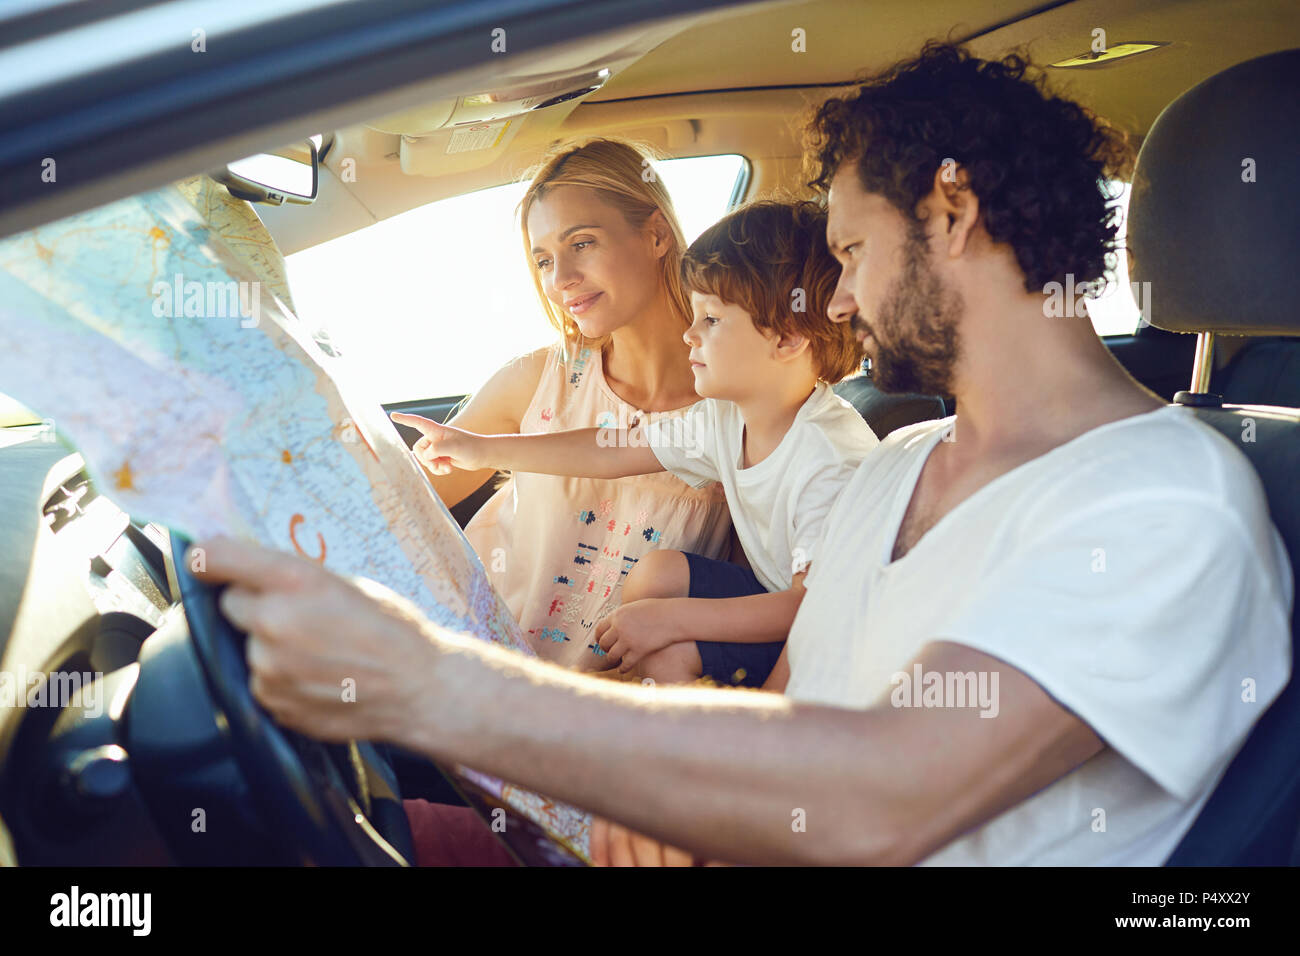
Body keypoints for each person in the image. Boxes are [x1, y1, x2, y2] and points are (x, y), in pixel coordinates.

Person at [194, 42, 1291, 866]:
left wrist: (433, 684)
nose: (844, 294)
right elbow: (791, 710)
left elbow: (884, 792)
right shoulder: (900, 462)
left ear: (952, 210)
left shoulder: (1162, 501)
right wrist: (650, 785)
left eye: (853, 249)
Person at [401, 200, 876, 688]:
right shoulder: (724, 418)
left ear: (787, 338)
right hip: (776, 594)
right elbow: (613, 448)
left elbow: (814, 605)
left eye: (711, 320)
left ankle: (661, 741)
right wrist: (482, 450)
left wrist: (672, 623)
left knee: (667, 652)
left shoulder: (829, 461)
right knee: (655, 576)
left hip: (831, 622)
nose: (690, 334)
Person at [395, 137, 732, 672]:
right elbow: (399, 514)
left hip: (608, 709)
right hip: (473, 667)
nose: (559, 280)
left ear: (657, 235)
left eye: (583, 243)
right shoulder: (536, 380)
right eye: (545, 259)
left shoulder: (733, 405)